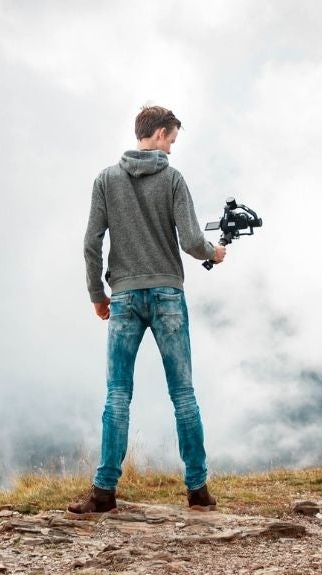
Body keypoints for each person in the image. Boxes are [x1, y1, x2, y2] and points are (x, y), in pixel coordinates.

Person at [69, 105, 226, 516]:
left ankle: (103, 492)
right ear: (157, 133)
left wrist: (96, 295)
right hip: (168, 296)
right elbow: (193, 240)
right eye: (171, 139)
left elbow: (91, 243)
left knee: (117, 394)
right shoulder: (172, 179)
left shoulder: (105, 180)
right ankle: (197, 490)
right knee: (183, 394)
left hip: (122, 297)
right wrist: (216, 253)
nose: (171, 150)